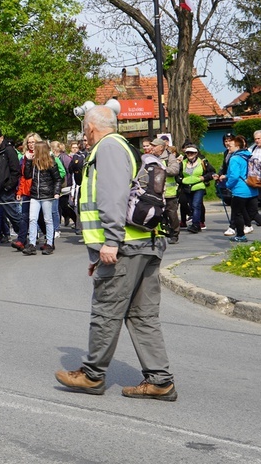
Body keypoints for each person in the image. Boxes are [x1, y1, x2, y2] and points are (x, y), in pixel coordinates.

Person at [55, 105, 176, 401]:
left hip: (124, 248)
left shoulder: (106, 148)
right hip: (144, 244)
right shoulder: (124, 146)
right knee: (142, 315)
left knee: (106, 312)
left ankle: (92, 375)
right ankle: (159, 380)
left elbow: (112, 197)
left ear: (90, 127)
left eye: (84, 128)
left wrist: (109, 242)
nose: (84, 134)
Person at [225, 135, 261, 242]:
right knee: (254, 213)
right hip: (252, 188)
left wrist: (227, 185)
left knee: (237, 213)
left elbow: (234, 175)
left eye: (231, 145)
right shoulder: (249, 156)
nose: (229, 147)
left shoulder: (235, 158)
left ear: (237, 146)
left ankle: (241, 235)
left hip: (240, 190)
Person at [22, 141, 61, 255]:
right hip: (35, 194)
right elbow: (27, 175)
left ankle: (49, 243)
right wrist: (28, 161)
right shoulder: (34, 162)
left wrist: (56, 192)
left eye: (35, 149)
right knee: (32, 219)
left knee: (47, 219)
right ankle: (32, 244)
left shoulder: (51, 162)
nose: (33, 150)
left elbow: (57, 179)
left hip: (47, 194)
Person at [12, 133, 41, 251]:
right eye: (29, 142)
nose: (31, 144)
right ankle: (21, 240)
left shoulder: (43, 156)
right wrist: (19, 192)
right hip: (27, 191)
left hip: (40, 191)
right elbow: (22, 176)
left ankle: (49, 240)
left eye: (33, 142)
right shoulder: (24, 157)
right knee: (24, 216)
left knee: (41, 218)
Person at [150, 137, 181, 244]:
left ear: (161, 147)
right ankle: (159, 232)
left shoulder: (170, 157)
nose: (152, 148)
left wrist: (161, 169)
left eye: (154, 146)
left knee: (171, 214)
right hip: (155, 192)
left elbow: (175, 170)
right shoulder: (150, 157)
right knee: (156, 213)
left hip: (169, 193)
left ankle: (175, 234)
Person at [179, 145, 215, 234]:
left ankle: (195, 224)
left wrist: (204, 177)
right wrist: (182, 180)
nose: (190, 154)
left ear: (196, 153)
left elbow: (212, 172)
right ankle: (197, 225)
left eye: (192, 153)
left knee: (196, 205)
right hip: (187, 187)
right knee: (191, 206)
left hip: (199, 187)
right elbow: (178, 175)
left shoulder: (203, 162)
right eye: (188, 153)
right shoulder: (182, 163)